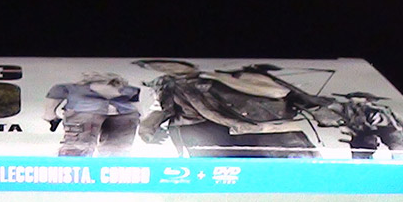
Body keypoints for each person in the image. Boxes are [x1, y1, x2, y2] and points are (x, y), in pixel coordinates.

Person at [133, 59, 341, 157]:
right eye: (159, 66)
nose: (166, 68)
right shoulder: (173, 86)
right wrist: (147, 129)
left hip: (261, 129)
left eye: (167, 64)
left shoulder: (230, 76)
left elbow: (281, 93)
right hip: (209, 134)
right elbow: (163, 108)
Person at [43, 72, 141, 156]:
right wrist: (142, 118)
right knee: (117, 150)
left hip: (85, 112)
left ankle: (74, 166)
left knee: (78, 146)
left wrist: (50, 114)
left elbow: (55, 94)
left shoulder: (72, 88)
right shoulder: (129, 90)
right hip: (124, 114)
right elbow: (136, 105)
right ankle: (112, 168)